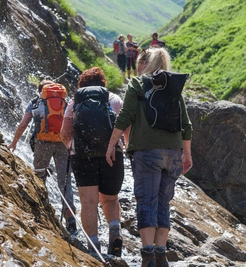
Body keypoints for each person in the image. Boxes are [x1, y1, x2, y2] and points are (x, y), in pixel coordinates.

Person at [105, 48, 193, 267]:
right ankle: (161, 255)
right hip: (173, 153)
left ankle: (148, 257)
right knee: (163, 203)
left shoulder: (137, 84)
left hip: (147, 152)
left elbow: (126, 115)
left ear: (146, 63)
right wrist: (187, 154)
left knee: (146, 202)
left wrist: (111, 143)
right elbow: (186, 124)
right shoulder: (174, 87)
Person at [61, 67, 126, 256]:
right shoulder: (114, 100)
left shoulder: (75, 102)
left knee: (88, 201)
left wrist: (71, 148)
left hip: (83, 156)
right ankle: (115, 233)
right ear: (103, 83)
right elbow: (124, 128)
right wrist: (124, 146)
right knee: (111, 198)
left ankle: (94, 247)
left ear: (82, 85)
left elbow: (65, 134)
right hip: (112, 154)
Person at [8, 80, 77, 234]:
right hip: (63, 143)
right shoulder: (65, 101)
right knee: (65, 181)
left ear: (40, 90)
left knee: (39, 176)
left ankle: (40, 211)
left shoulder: (36, 101)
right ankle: (70, 217)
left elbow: (23, 124)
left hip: (43, 143)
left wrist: (14, 143)